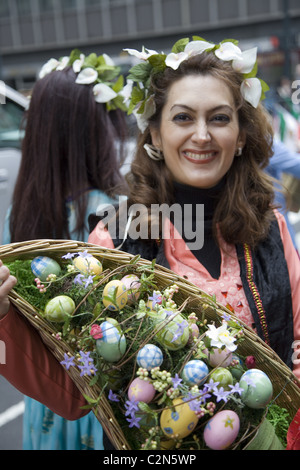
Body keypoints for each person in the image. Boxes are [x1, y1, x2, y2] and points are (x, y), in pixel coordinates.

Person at [0, 36, 300, 444]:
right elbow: (76, 392)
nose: (201, 135)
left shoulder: (270, 229)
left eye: (219, 118)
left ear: (242, 134)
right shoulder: (117, 238)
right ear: (155, 136)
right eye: (182, 118)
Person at [1, 49, 129, 450]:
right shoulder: (115, 216)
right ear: (96, 131)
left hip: (44, 397)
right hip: (97, 403)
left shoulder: (15, 218)